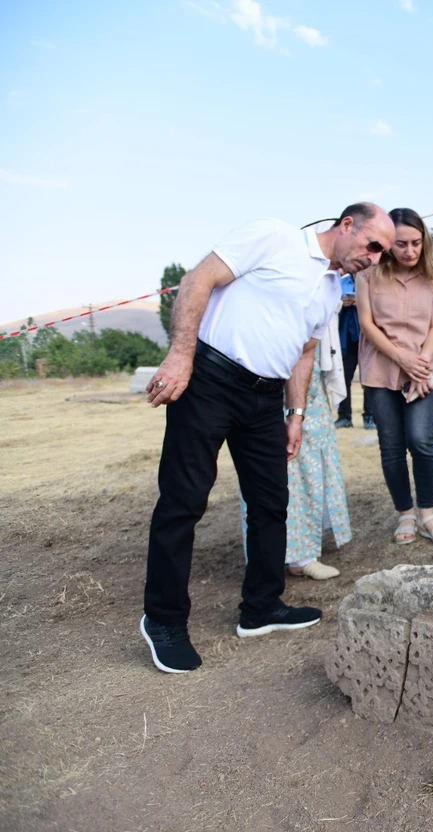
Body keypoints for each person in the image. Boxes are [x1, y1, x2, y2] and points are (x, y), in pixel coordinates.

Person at [141, 202, 395, 674]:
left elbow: (302, 355)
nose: (375, 258)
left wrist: (295, 414)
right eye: (372, 245)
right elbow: (198, 280)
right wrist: (180, 355)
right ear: (346, 226)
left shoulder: (329, 289)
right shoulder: (275, 237)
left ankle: (260, 608)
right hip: (210, 383)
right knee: (183, 501)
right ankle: (163, 620)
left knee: (271, 504)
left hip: (264, 402)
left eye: (383, 252)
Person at [357, 208, 433, 548]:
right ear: (387, 244)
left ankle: (427, 512)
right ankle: (405, 513)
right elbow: (367, 325)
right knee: (391, 446)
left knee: (421, 440)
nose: (410, 251)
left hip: (424, 369)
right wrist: (402, 360)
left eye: (416, 243)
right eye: (401, 244)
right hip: (381, 368)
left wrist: (422, 364)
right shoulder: (369, 274)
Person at [238, 315, 351, 580]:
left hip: (309, 375)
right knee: (279, 462)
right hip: (269, 367)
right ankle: (281, 556)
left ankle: (304, 551)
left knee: (311, 457)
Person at [333, 273, 372, 430]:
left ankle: (370, 417)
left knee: (369, 378)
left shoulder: (373, 279)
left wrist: (361, 301)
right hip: (346, 337)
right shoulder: (340, 282)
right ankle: (344, 416)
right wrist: (341, 303)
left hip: (368, 338)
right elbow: (330, 303)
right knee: (344, 377)